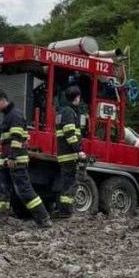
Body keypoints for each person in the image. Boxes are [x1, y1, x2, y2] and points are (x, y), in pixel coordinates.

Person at [0, 89, 51, 227]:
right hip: (7, 161)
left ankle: (44, 219)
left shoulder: (15, 115)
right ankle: (0, 220)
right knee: (0, 189)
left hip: (15, 161)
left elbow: (16, 138)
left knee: (24, 191)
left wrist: (12, 157)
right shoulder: (8, 116)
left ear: (2, 100)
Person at [52, 85, 86, 217]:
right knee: (70, 183)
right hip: (69, 154)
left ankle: (62, 209)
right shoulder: (69, 112)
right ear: (76, 97)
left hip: (63, 154)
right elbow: (70, 133)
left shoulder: (61, 112)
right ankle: (65, 211)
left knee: (65, 182)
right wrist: (79, 151)